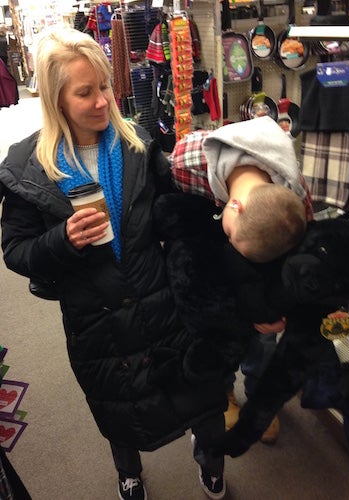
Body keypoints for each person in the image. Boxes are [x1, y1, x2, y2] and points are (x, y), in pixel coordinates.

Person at [0, 28, 228, 500]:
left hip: (161, 297)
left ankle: (209, 458)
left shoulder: (137, 145)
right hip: (94, 318)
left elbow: (174, 218)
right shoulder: (27, 168)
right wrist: (60, 241)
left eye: (104, 86)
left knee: (199, 393)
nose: (104, 101)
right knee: (116, 404)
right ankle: (128, 472)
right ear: (56, 99)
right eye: (86, 92)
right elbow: (16, 251)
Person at [168, 119, 314, 442]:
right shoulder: (186, 162)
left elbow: (302, 258)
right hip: (207, 257)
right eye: (234, 238)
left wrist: (283, 315)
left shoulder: (296, 193)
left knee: (262, 338)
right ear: (234, 206)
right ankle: (224, 396)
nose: (234, 246)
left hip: (259, 272)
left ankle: (259, 397)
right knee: (215, 334)